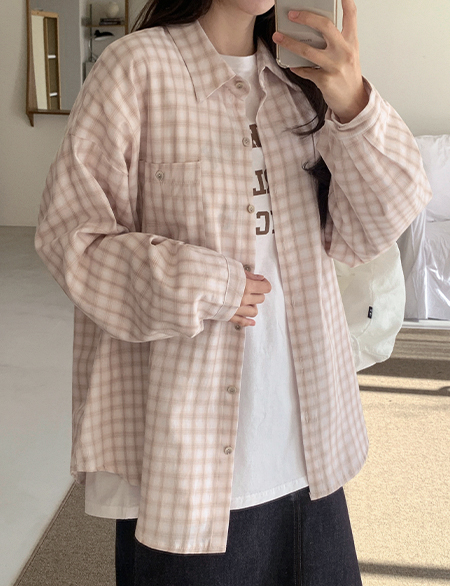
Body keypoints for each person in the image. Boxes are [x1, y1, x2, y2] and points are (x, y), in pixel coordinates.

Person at [35, 0, 431, 584]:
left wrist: (352, 100)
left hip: (311, 445)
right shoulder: (135, 68)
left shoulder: (302, 83)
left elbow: (369, 230)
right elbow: (72, 237)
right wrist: (207, 285)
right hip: (191, 462)